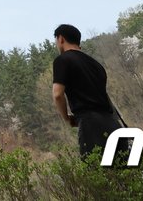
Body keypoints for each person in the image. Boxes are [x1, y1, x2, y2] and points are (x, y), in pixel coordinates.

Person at [51, 23, 126, 159]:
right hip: (113, 123)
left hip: (91, 124)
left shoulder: (63, 60)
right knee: (122, 172)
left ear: (61, 39)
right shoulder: (96, 65)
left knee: (96, 171)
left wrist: (67, 118)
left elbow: (57, 94)